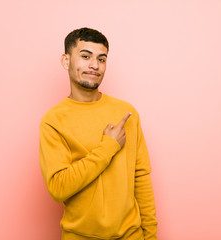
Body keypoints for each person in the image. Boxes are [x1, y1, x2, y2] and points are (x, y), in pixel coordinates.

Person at [39, 27, 158, 240]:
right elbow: (58, 187)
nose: (95, 65)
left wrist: (150, 235)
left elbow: (140, 177)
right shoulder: (53, 120)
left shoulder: (126, 113)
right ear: (66, 61)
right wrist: (108, 147)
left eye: (101, 59)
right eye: (85, 56)